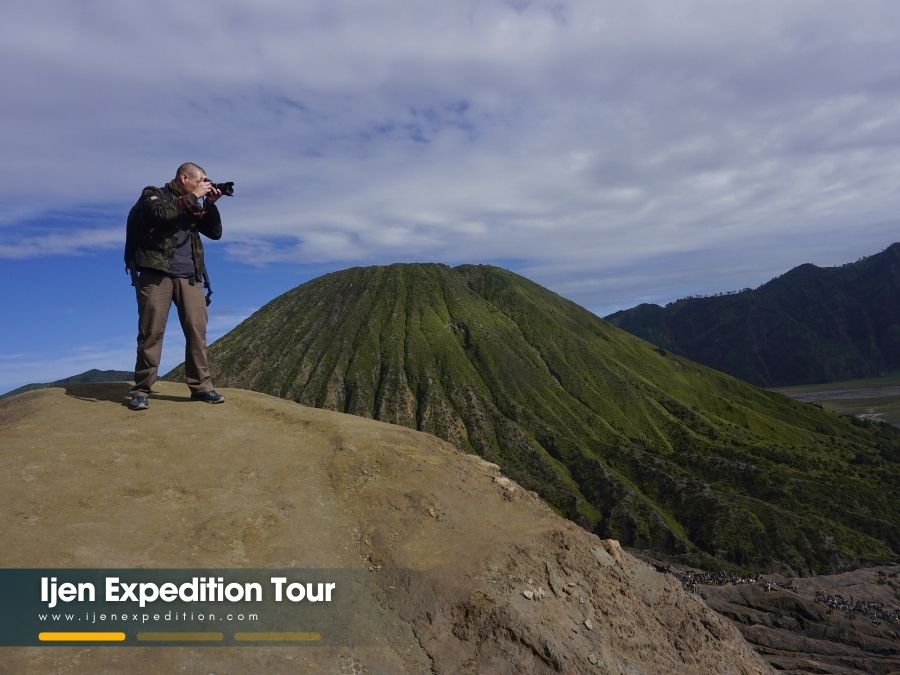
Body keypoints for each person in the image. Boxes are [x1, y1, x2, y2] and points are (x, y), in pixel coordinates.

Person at [125, 162, 225, 411]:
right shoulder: (153, 194)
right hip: (156, 273)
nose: (205, 184)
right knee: (152, 331)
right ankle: (141, 389)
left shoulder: (193, 203)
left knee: (196, 331)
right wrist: (194, 197)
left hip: (189, 275)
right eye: (201, 179)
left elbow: (214, 233)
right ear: (184, 178)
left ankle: (201, 388)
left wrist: (210, 205)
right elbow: (161, 214)